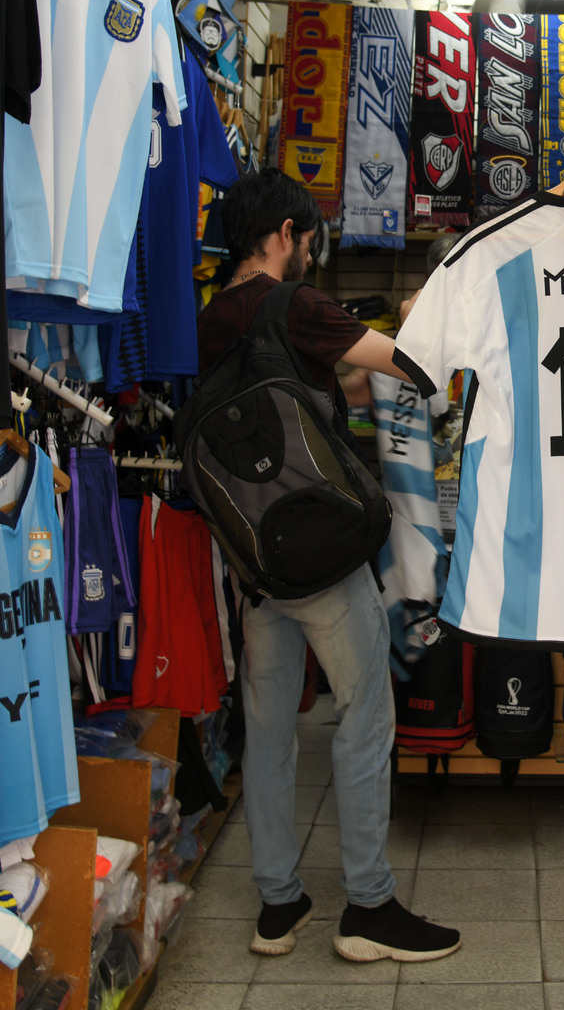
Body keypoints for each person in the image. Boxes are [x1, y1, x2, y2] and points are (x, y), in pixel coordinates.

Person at [196, 168, 461, 964]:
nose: (311, 252)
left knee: (270, 730)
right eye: (308, 239)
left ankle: (278, 904)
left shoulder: (208, 319)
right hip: (321, 557)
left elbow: (287, 398)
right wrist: (421, 323)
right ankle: (369, 906)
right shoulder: (294, 304)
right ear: (285, 233)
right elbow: (412, 364)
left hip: (252, 558)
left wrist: (351, 384)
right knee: (365, 717)